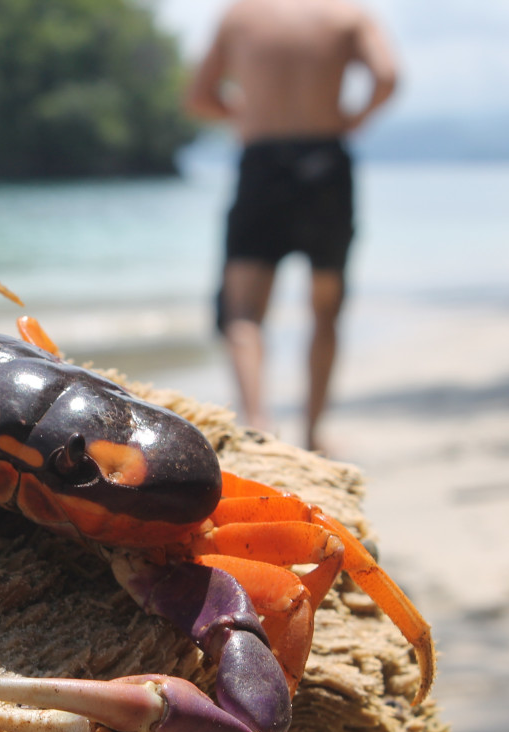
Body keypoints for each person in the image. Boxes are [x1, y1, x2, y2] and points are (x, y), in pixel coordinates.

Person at [186, 0, 399, 450]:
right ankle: (315, 430)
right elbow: (387, 76)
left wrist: (244, 112)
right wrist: (353, 118)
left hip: (264, 161)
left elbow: (199, 96)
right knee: (325, 306)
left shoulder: (241, 16)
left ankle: (259, 425)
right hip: (327, 161)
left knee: (243, 312)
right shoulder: (346, 15)